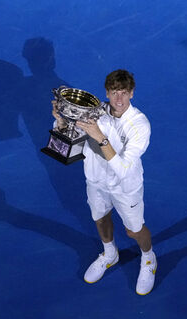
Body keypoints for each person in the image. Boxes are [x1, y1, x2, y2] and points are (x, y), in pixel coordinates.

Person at [52, 69, 157, 295]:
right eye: (113, 93)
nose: (118, 99)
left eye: (124, 93)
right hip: (95, 181)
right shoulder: (93, 112)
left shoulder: (140, 124)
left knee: (134, 230)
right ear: (106, 93)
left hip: (125, 187)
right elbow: (65, 152)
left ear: (132, 94)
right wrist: (61, 123)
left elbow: (122, 170)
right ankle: (110, 254)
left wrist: (99, 136)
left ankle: (149, 259)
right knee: (100, 219)